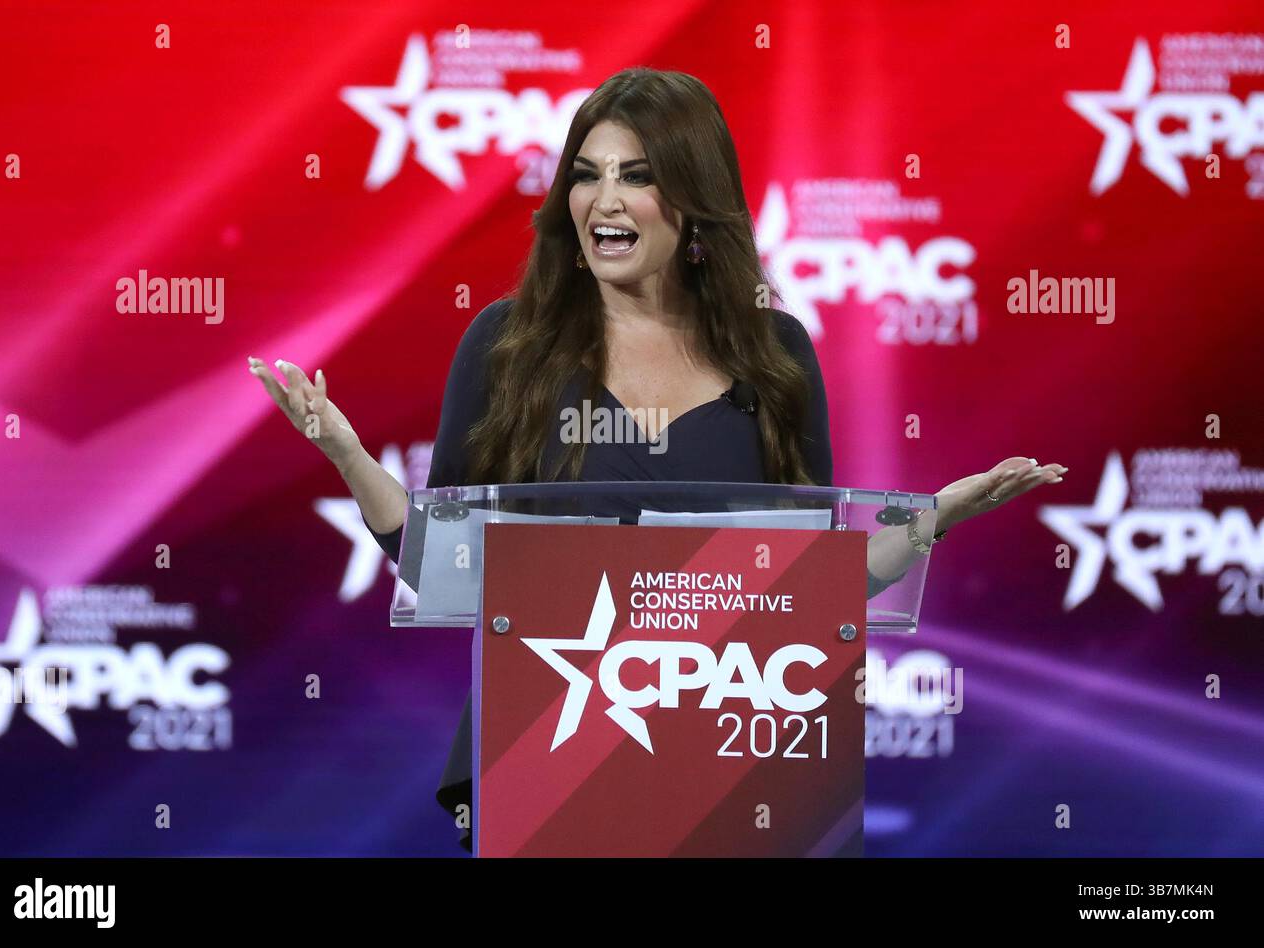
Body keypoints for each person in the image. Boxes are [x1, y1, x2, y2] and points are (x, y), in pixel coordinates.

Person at [247, 68, 1067, 851]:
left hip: (731, 768)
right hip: (541, 763)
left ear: (693, 199)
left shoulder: (774, 356)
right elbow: (441, 564)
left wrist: (933, 520)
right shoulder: (506, 347)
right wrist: (347, 455)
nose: (603, 200)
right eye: (587, 173)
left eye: (635, 176)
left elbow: (816, 589)